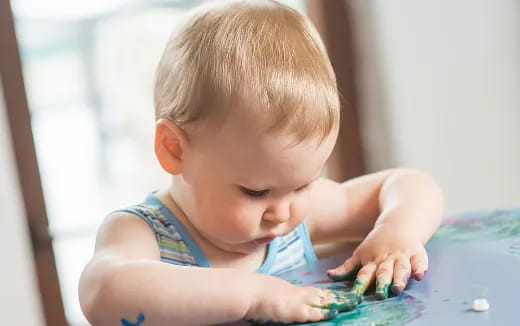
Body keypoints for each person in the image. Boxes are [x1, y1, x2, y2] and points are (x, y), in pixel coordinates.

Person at [79, 1, 444, 325]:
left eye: (304, 184)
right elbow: (102, 292)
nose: (282, 212)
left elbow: (409, 184)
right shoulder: (145, 234)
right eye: (256, 191)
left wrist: (398, 231)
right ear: (175, 149)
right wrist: (253, 295)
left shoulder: (295, 218)